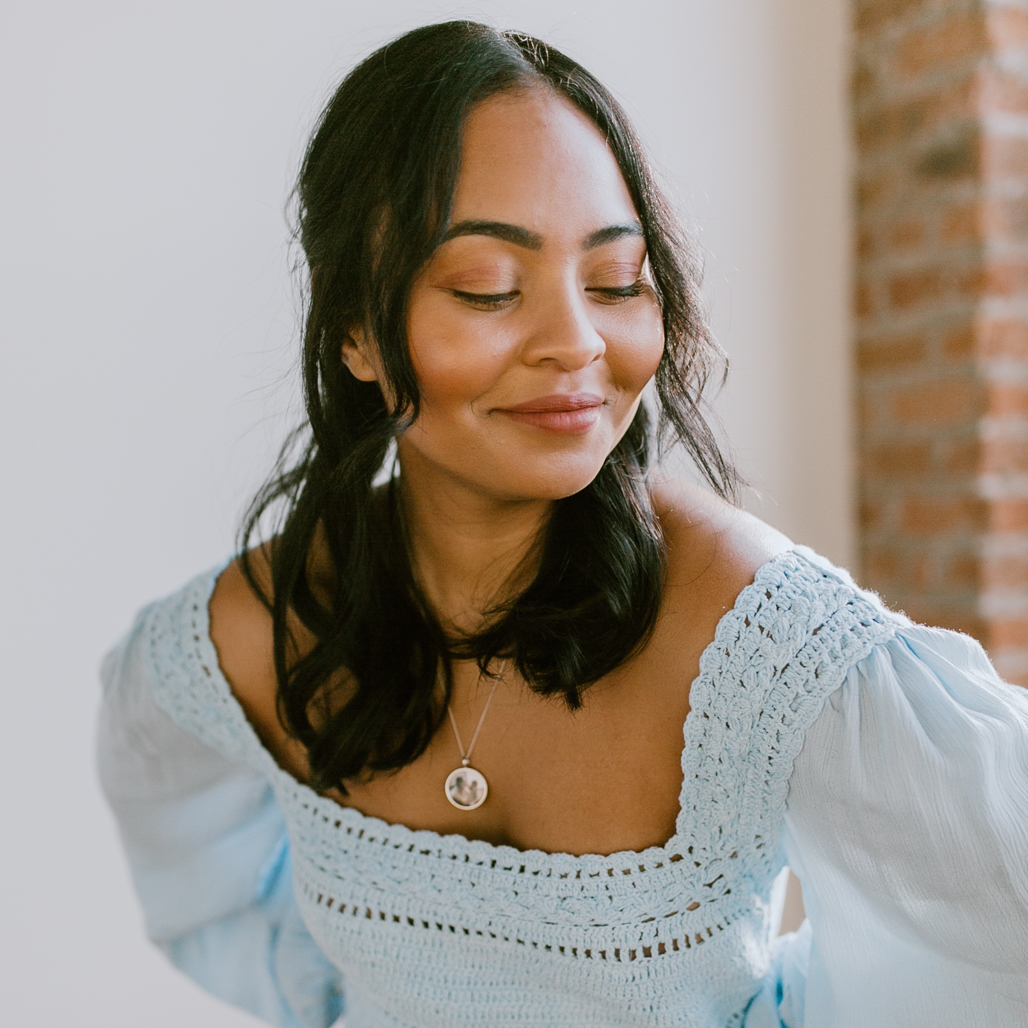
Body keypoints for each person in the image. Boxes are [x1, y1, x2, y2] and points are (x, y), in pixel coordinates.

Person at [97, 20, 1028, 1028]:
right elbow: (202, 881)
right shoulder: (251, 630)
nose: (576, 343)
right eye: (488, 288)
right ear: (358, 333)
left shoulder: (763, 638)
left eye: (614, 281)